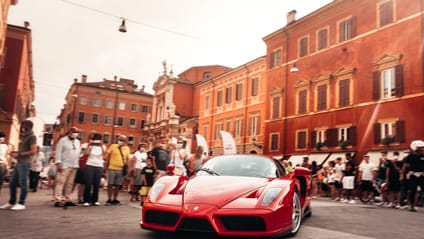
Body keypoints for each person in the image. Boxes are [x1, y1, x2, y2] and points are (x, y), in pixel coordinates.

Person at [0, 120, 37, 210]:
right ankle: (11, 202)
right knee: (12, 183)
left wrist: (19, 154)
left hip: (25, 163)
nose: (22, 127)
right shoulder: (25, 136)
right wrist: (15, 153)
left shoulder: (32, 137)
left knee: (22, 183)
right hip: (19, 162)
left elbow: (33, 151)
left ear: (28, 126)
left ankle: (21, 203)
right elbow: (24, 150)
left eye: (23, 125)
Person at [53, 127, 82, 207]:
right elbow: (58, 152)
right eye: (74, 132)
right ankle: (58, 199)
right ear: (69, 132)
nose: (76, 134)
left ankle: (67, 198)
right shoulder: (62, 141)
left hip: (74, 165)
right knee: (61, 182)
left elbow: (78, 152)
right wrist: (58, 163)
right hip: (64, 164)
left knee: (70, 183)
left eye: (77, 132)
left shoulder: (78, 142)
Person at [104, 135, 131, 206]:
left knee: (118, 185)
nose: (120, 141)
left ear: (125, 141)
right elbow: (108, 157)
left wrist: (129, 168)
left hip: (121, 169)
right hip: (112, 168)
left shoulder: (127, 149)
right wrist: (105, 167)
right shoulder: (113, 146)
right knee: (110, 184)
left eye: (122, 140)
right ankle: (109, 199)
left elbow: (127, 159)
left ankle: (115, 198)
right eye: (119, 139)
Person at [83, 133, 106, 206]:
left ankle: (95, 200)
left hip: (99, 165)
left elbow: (104, 155)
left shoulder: (103, 146)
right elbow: (85, 153)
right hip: (89, 164)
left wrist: (101, 145)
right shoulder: (89, 146)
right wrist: (89, 145)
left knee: (96, 184)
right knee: (88, 183)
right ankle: (86, 200)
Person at [401, 140, 424, 212]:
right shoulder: (410, 157)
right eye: (420, 148)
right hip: (413, 175)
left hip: (422, 175)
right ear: (415, 148)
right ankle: (411, 206)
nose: (422, 149)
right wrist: (402, 175)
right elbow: (404, 166)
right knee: (412, 191)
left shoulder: (423, 156)